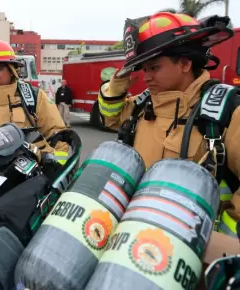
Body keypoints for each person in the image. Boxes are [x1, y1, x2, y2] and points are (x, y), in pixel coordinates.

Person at [97, 13, 240, 238]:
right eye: (144, 69)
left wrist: (220, 240)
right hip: (134, 231)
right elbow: (110, 117)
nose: (146, 77)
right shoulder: (144, 105)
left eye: (154, 68)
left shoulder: (227, 111)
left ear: (184, 63)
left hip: (189, 245)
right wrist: (119, 80)